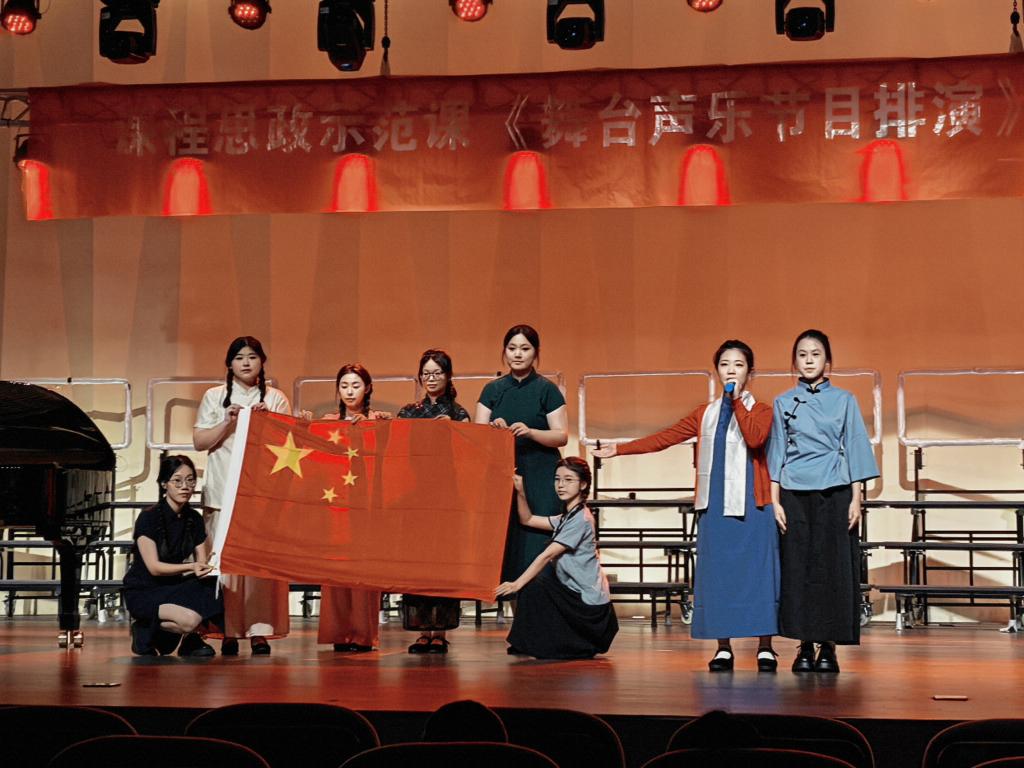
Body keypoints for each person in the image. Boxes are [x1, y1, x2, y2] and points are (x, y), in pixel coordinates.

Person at [593, 340, 780, 672]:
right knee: (719, 576)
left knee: (757, 575)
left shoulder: (762, 410)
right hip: (715, 507)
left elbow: (754, 437)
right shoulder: (704, 414)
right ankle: (723, 647)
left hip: (753, 506)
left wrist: (736, 400)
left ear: (750, 372)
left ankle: (765, 645)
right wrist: (620, 449)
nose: (731, 371)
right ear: (717, 370)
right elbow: (666, 437)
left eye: (738, 365)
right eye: (725, 364)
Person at [768, 329, 879, 674]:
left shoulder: (845, 399)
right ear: (794, 361)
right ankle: (803, 643)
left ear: (827, 360)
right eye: (802, 354)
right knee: (798, 569)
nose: (809, 360)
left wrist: (857, 498)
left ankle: (829, 644)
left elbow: (856, 445)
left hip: (835, 490)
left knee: (833, 568)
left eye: (815, 354)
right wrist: (775, 501)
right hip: (794, 492)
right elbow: (776, 452)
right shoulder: (783, 401)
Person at [193, 335, 291, 656]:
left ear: (262, 361)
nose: (246, 363)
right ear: (229, 364)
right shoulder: (214, 396)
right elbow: (200, 441)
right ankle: (227, 630)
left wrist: (270, 422)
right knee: (225, 566)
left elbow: (289, 446)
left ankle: (259, 632)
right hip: (222, 492)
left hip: (262, 496)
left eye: (252, 356)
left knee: (258, 569)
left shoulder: (275, 398)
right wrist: (226, 422)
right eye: (239, 357)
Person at [475, 324, 568, 595]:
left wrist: (531, 432)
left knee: (537, 544)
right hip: (504, 475)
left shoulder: (547, 389)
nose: (518, 354)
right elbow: (477, 436)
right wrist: (494, 430)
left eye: (525, 349)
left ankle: (541, 612)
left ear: (535, 353)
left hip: (540, 476)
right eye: (512, 348)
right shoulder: (492, 390)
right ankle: (515, 612)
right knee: (508, 546)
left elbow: (561, 436)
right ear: (504, 351)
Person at [496, 457, 618, 659]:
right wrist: (521, 492)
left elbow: (547, 555)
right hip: (574, 595)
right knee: (537, 582)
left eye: (568, 480)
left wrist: (516, 584)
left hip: (589, 608)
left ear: (583, 484)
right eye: (557, 479)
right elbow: (528, 519)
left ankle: (543, 642)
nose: (561, 485)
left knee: (534, 582)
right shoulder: (567, 517)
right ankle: (530, 641)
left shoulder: (581, 519)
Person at [396, 349, 471, 655]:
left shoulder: (459, 413)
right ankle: (421, 630)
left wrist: (452, 431)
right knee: (417, 564)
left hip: (447, 497)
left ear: (448, 376)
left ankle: (440, 631)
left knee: (443, 563)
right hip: (415, 497)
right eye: (426, 373)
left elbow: (470, 453)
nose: (431, 378)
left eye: (437, 373)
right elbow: (397, 447)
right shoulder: (408, 412)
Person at [317, 363, 390, 653]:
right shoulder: (329, 421)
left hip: (367, 504)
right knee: (335, 569)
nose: (349, 391)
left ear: (368, 388)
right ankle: (339, 632)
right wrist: (304, 426)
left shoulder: (377, 420)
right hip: (335, 503)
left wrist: (383, 427)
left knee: (363, 571)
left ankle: (362, 634)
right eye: (344, 386)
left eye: (356, 385)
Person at [124, 455, 222, 657]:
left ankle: (187, 639)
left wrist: (208, 568)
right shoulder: (148, 517)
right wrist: (191, 567)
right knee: (190, 621)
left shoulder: (194, 518)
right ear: (164, 484)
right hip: (145, 589)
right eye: (177, 481)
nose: (185, 486)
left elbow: (201, 562)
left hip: (173, 586)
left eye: (190, 480)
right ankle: (144, 628)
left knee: (215, 587)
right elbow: (154, 568)